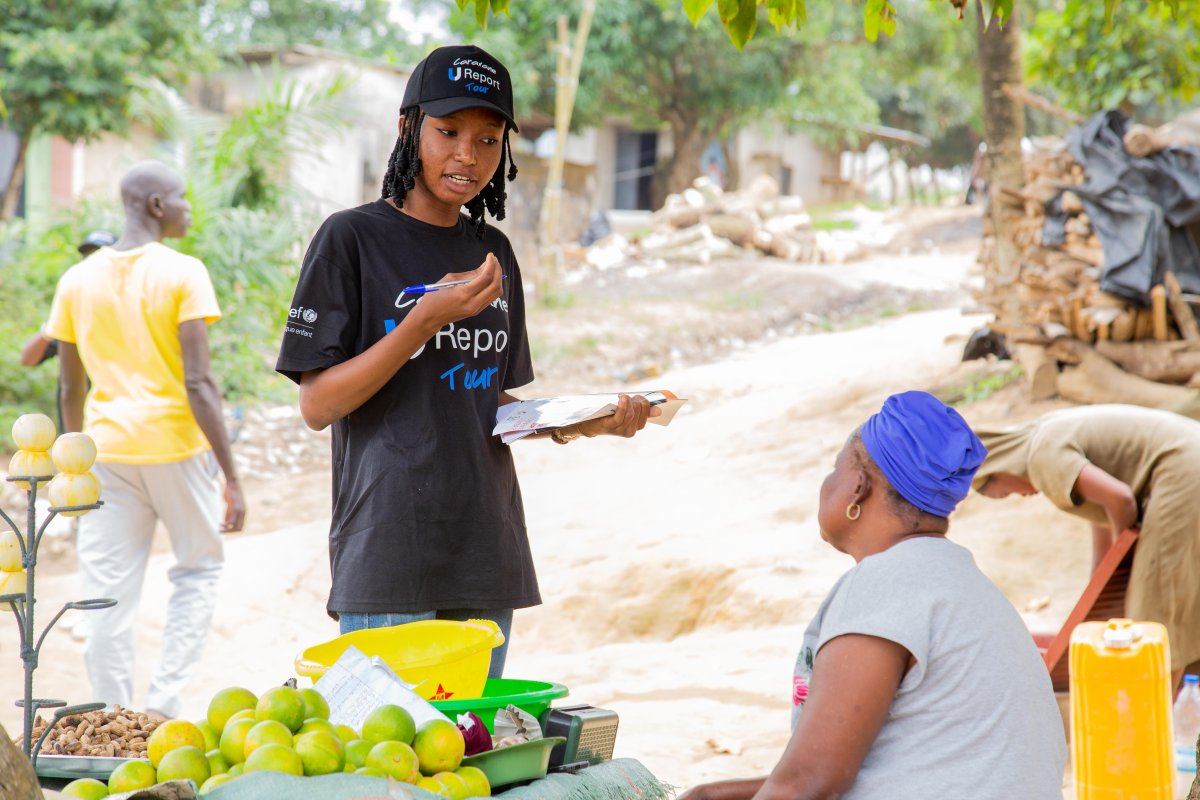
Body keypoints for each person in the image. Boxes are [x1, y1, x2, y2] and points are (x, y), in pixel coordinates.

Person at [275, 44, 657, 677]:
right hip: (390, 549)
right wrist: (422, 321)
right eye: (447, 132)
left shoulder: (493, 252)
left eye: (488, 139)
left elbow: (491, 404)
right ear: (408, 128)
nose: (466, 156)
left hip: (485, 552)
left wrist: (587, 420)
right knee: (389, 764)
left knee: (466, 757)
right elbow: (318, 406)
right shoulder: (351, 239)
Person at [681, 392, 1066, 800]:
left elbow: (810, 785)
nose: (827, 483)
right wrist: (714, 794)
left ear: (857, 488)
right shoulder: (961, 582)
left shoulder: (885, 583)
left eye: (835, 470)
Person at [44, 161, 245, 718]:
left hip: (106, 453)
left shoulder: (76, 280)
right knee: (199, 569)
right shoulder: (183, 273)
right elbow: (200, 381)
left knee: (105, 590)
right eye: (181, 197)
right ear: (156, 205)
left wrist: (75, 463)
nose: (188, 208)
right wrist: (231, 475)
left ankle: (111, 717)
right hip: (177, 449)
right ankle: (163, 708)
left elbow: (68, 386)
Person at [973, 403, 1200, 679]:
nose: (1019, 496)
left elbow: (1121, 499)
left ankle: (1161, 713)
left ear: (1000, 470)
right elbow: (1105, 527)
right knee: (1183, 601)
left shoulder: (1041, 456)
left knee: (1153, 616)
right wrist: (1092, 609)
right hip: (1187, 459)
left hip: (1183, 471)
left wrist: (1128, 561)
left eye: (1005, 493)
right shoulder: (1048, 438)